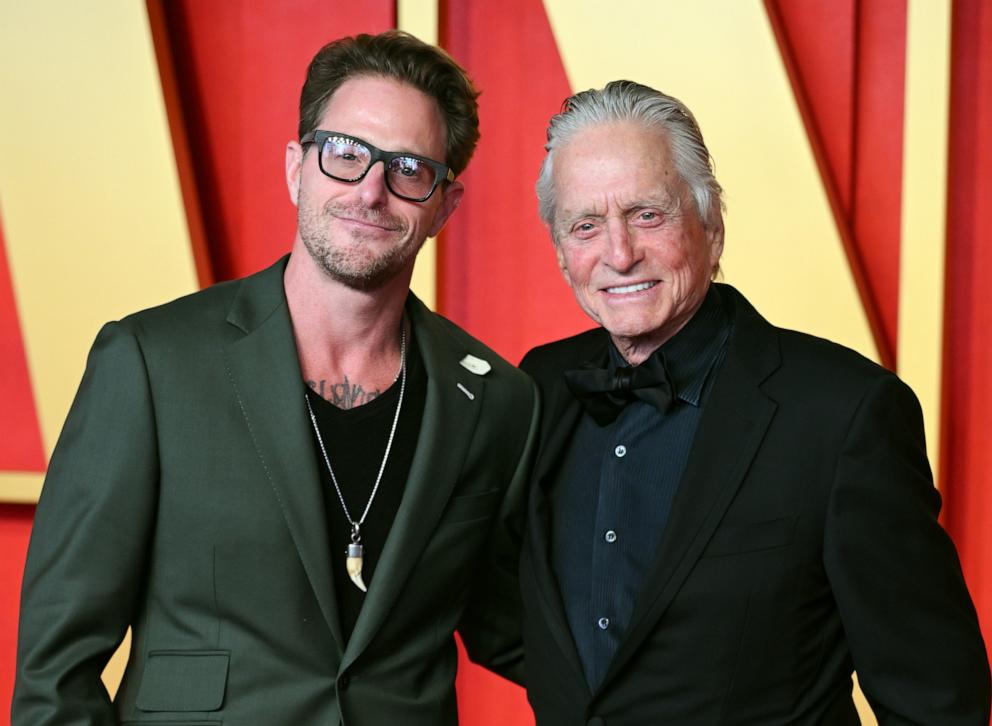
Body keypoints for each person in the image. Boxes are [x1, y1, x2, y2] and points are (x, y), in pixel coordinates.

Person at [13, 31, 536, 726]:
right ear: (297, 168)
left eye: (408, 168)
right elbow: (55, 675)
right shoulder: (150, 363)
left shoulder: (494, 400)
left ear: (444, 205)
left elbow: (526, 633)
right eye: (345, 154)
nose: (371, 191)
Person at [518, 80, 990, 725]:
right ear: (561, 253)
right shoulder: (539, 387)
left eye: (648, 214)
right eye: (586, 225)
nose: (619, 253)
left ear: (711, 226)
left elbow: (935, 701)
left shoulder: (845, 413)